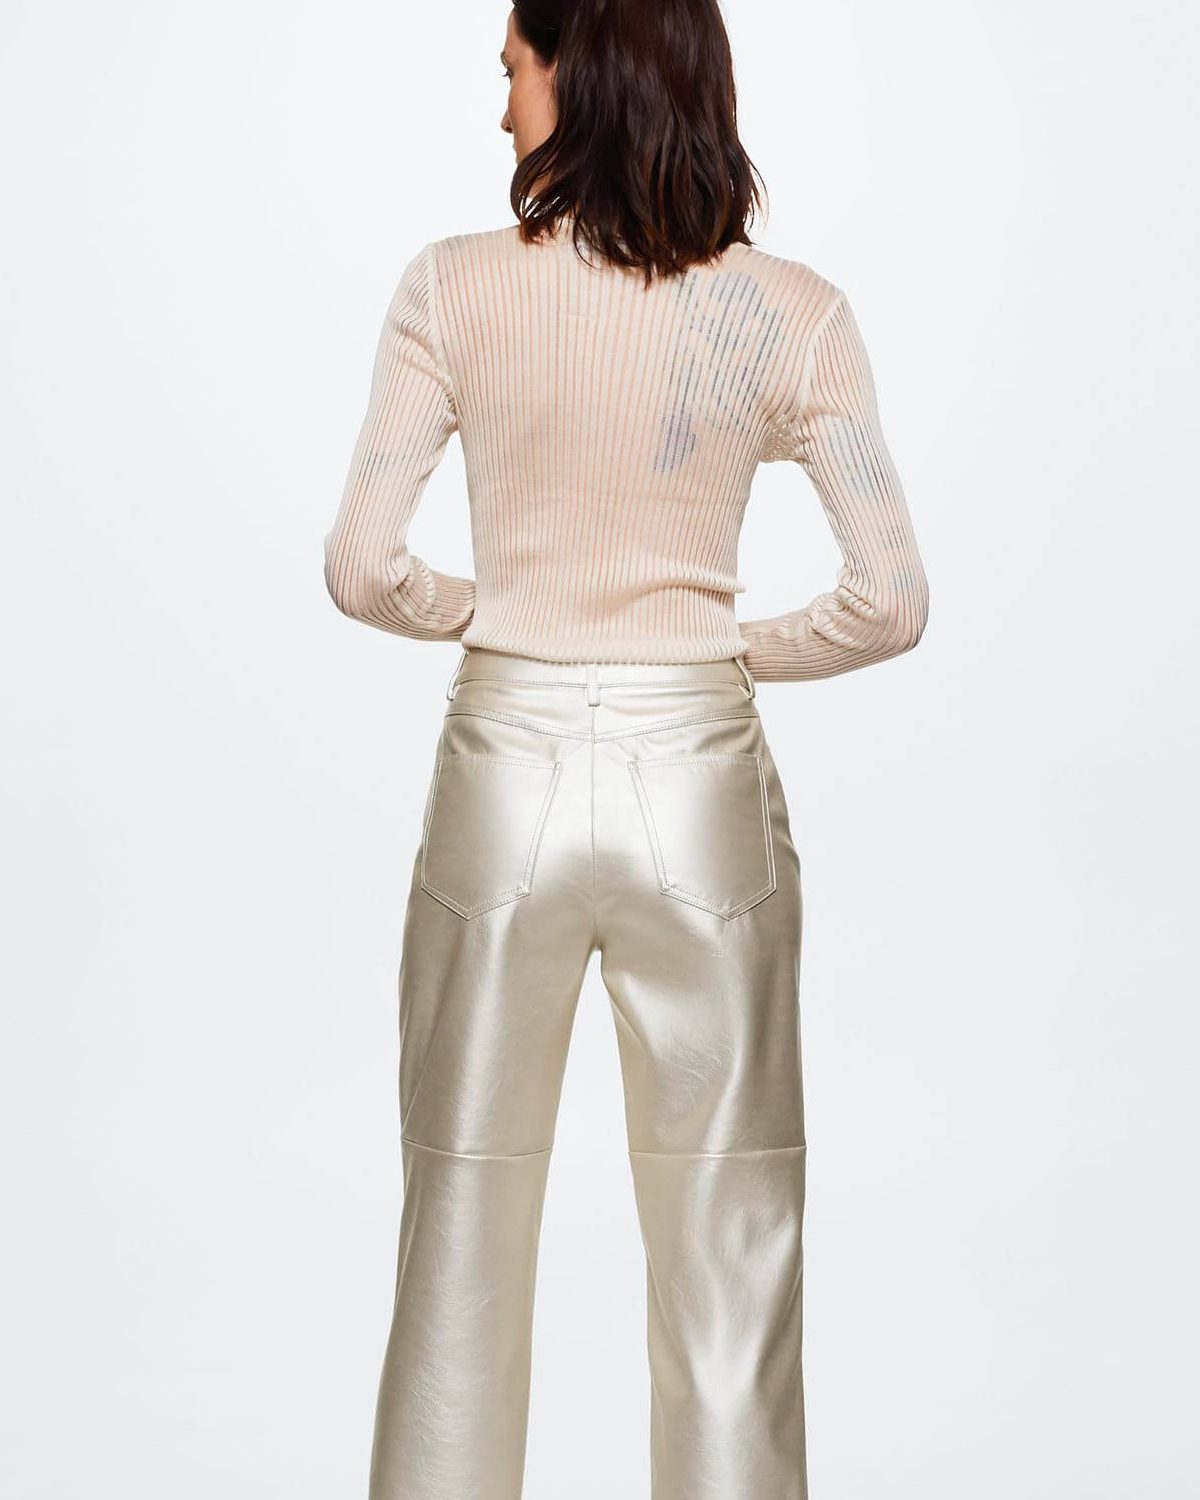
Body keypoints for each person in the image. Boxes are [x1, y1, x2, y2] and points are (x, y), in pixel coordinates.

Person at [323, 2, 930, 1496]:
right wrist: (717, 647)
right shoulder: (792, 311)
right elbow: (889, 599)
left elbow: (362, 567)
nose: (500, 109)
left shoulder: (452, 288)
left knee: (459, 1223)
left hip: (502, 772)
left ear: (577, 70)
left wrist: (502, 615)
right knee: (731, 1235)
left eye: (511, 70)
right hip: (701, 782)